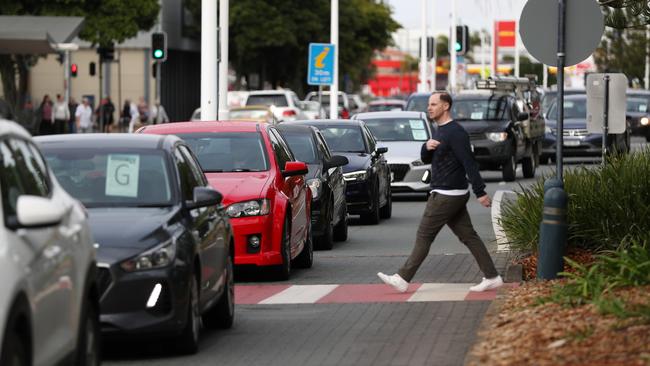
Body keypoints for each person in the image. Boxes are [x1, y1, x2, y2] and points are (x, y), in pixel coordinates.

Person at [377, 92, 503, 293]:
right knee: (469, 236)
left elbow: (469, 162)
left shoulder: (455, 132)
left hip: (447, 194)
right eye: (429, 104)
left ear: (446, 106)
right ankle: (492, 276)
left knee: (424, 235)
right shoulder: (440, 130)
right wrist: (426, 146)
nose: (429, 107)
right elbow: (428, 157)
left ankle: (402, 278)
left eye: (434, 104)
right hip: (450, 192)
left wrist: (480, 191)